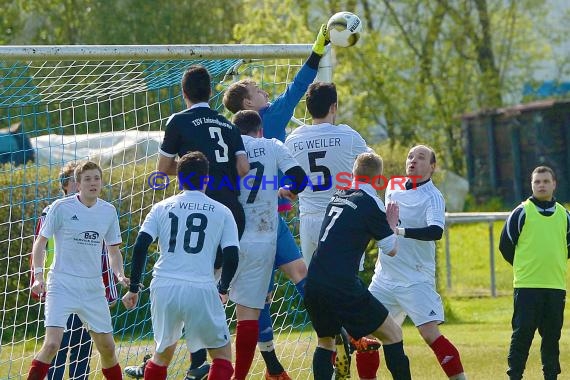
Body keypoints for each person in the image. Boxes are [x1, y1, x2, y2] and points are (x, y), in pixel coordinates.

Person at [222, 24, 328, 380]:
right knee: (299, 276)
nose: (264, 90)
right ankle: (334, 336)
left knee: (256, 300)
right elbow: (299, 85)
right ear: (248, 104)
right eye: (256, 88)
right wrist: (318, 49)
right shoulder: (272, 120)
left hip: (239, 227)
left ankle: (271, 368)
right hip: (267, 222)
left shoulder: (229, 136)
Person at [137, 64, 248, 380]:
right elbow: (243, 167)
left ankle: (195, 364)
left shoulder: (179, 121)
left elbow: (162, 169)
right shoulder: (228, 125)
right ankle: (200, 363)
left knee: (190, 284)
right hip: (231, 214)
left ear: (184, 93)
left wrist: (189, 171)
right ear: (211, 93)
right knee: (208, 291)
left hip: (194, 211)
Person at [284, 81, 379, 378]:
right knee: (347, 284)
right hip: (342, 219)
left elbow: (288, 184)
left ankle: (335, 336)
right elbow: (371, 167)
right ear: (334, 107)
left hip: (311, 221)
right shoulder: (348, 137)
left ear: (307, 108)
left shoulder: (294, 138)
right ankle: (350, 335)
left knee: (321, 292)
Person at [122, 151, 241, 380]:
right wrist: (223, 288)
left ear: (178, 178)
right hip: (200, 286)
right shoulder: (222, 211)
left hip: (164, 286)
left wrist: (134, 287)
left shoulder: (161, 207)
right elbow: (232, 255)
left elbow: (140, 246)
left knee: (161, 356)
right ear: (206, 179)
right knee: (222, 358)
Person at [304, 151, 411, 380]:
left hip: (314, 281)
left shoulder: (338, 195)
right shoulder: (370, 203)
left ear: (353, 173)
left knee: (325, 342)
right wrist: (390, 224)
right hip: (341, 284)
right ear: (378, 179)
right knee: (393, 333)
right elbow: (391, 249)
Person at [366, 145, 466, 380]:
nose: (413, 160)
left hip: (415, 278)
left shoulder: (433, 196)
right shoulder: (393, 185)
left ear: (432, 167)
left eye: (421, 158)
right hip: (384, 278)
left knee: (430, 333)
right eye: (410, 156)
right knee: (367, 336)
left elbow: (435, 231)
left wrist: (397, 231)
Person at [27, 160, 128, 380]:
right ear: (78, 184)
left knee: (108, 348)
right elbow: (40, 243)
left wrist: (119, 274)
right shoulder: (60, 207)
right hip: (61, 284)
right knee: (53, 344)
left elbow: (113, 251)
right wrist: (38, 276)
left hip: (92, 288)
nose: (93, 183)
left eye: (97, 178)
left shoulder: (108, 211)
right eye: (88, 179)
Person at [230, 110, 307, 380]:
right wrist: (285, 191)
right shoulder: (272, 145)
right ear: (259, 131)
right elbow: (300, 179)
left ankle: (199, 364)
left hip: (230, 237)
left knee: (226, 309)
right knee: (250, 314)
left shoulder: (229, 147)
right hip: (263, 238)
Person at [499, 165, 569, 380]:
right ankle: (515, 375)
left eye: (546, 181)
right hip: (527, 286)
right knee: (522, 335)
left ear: (554, 184)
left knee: (552, 337)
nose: (541, 185)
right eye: (537, 181)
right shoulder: (521, 212)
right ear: (531, 185)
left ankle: (551, 375)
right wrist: (525, 267)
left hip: (555, 287)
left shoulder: (565, 216)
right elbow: (505, 246)